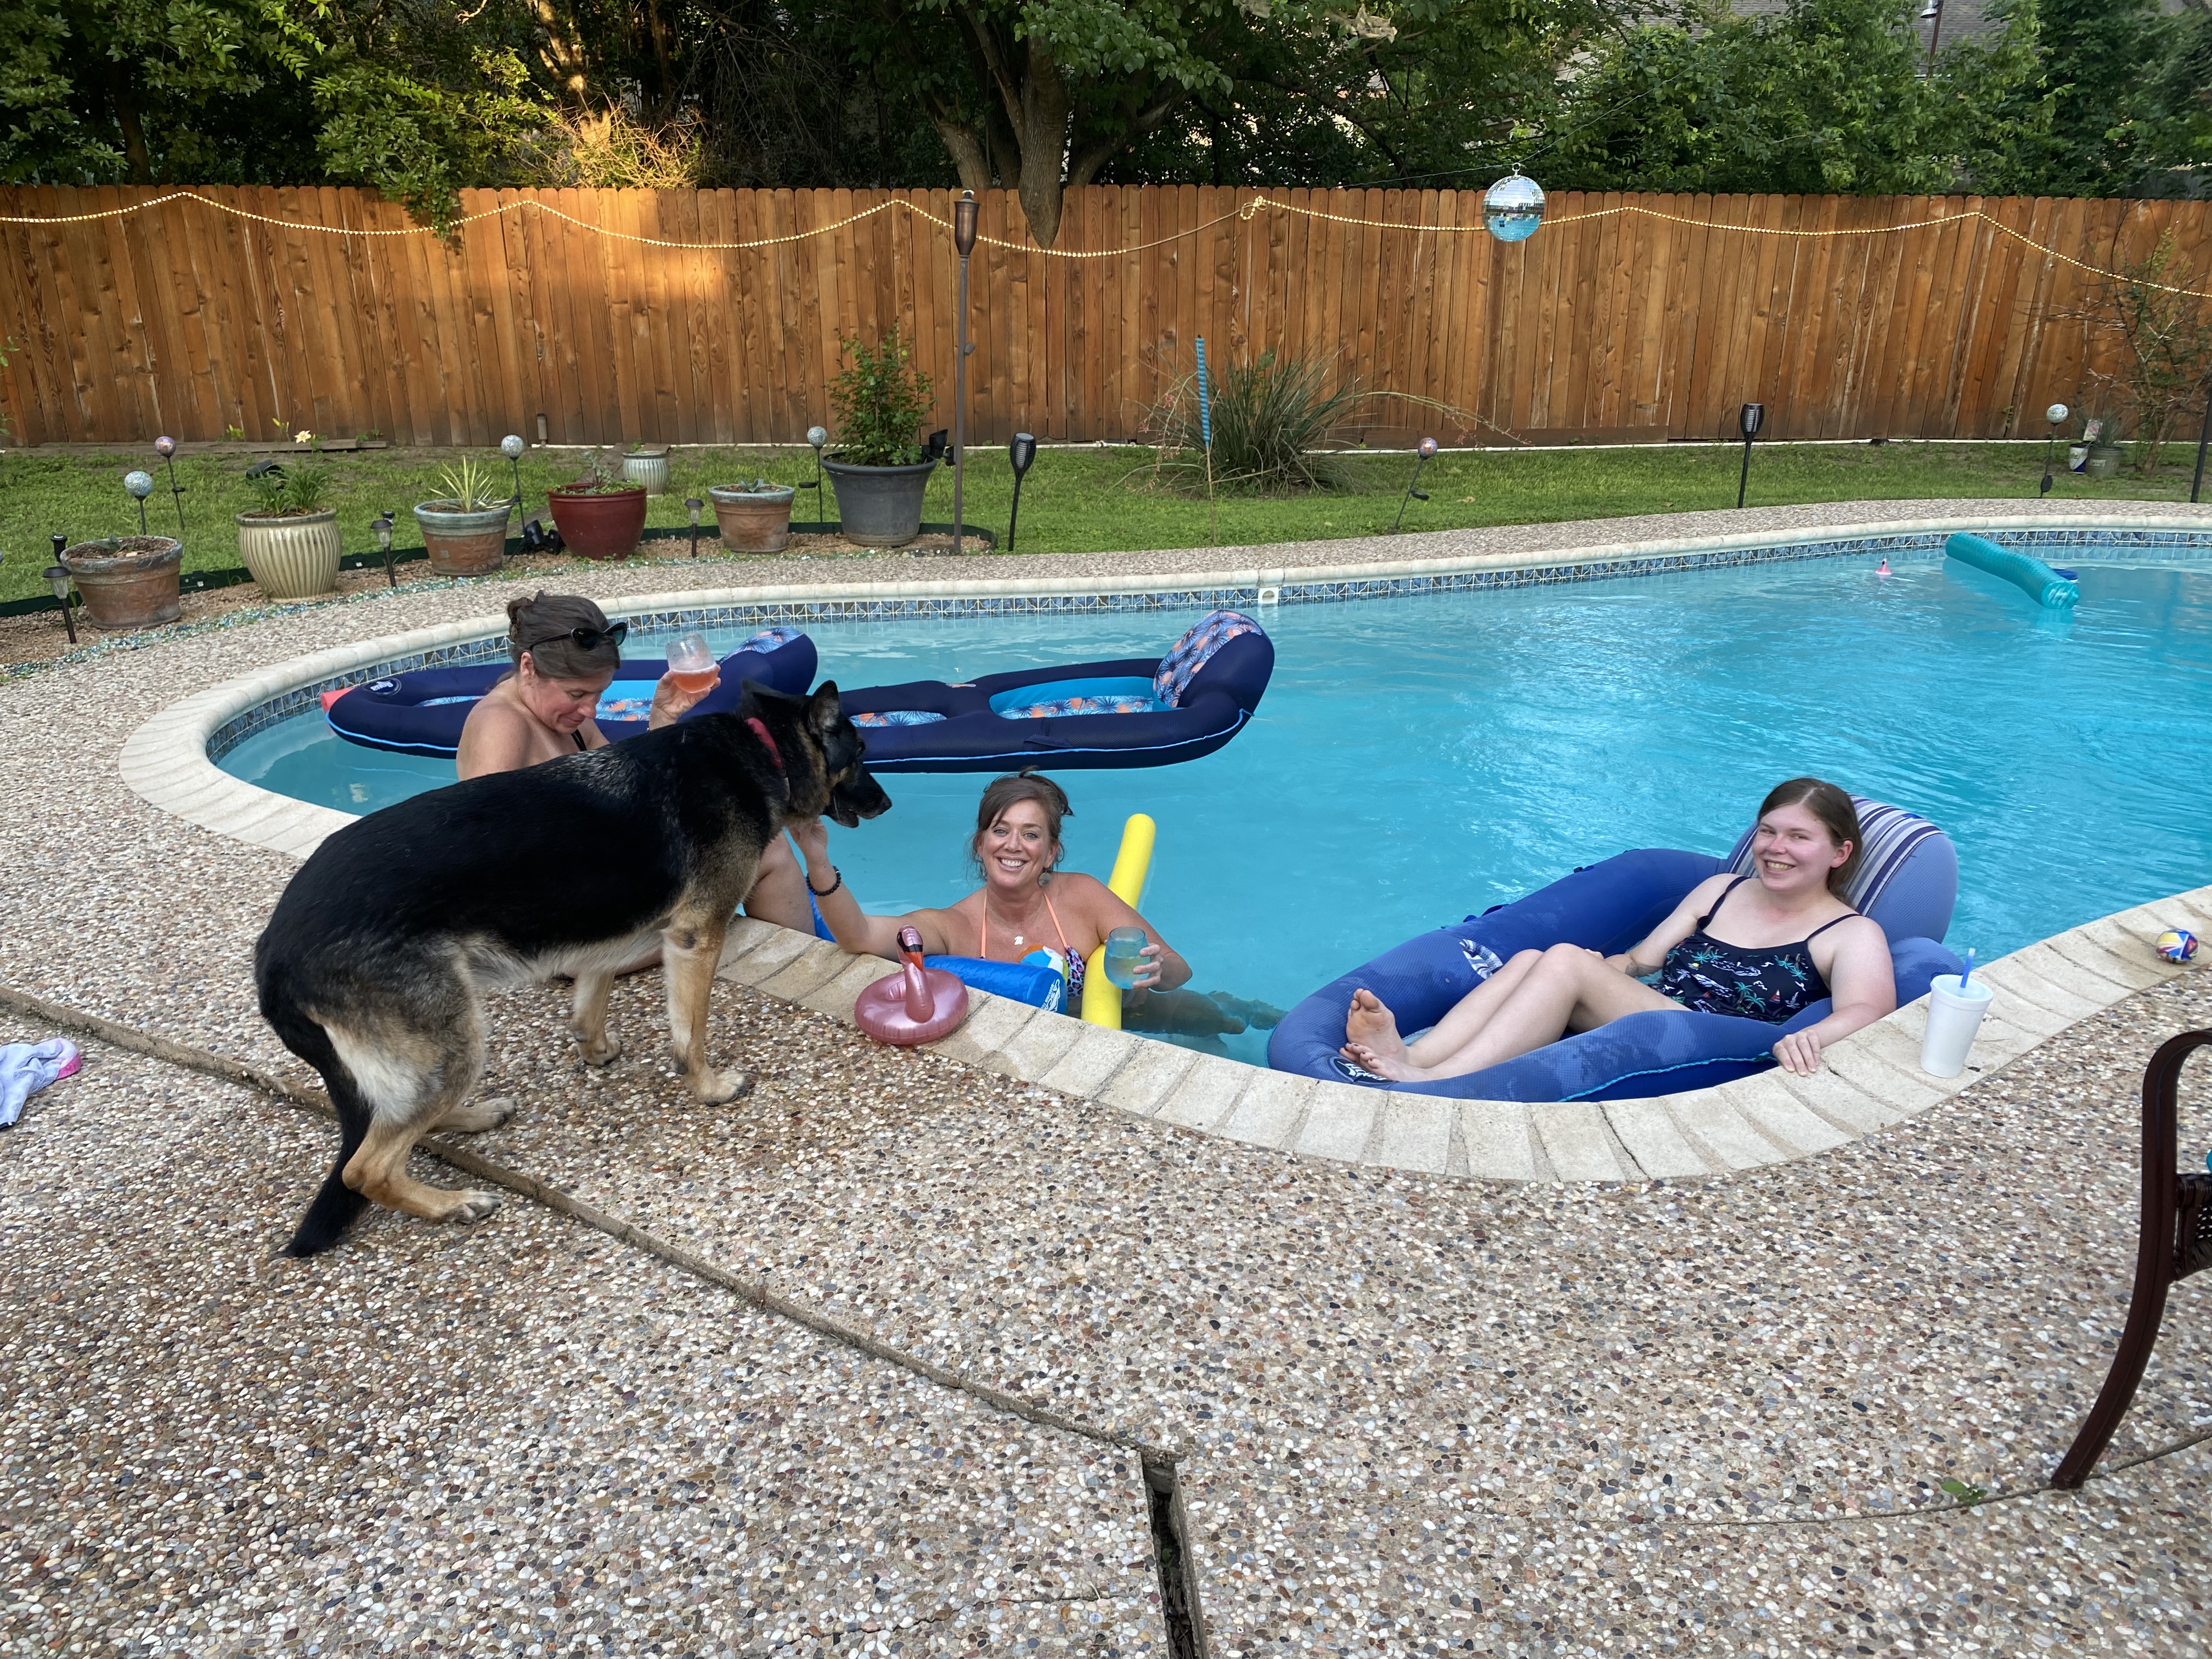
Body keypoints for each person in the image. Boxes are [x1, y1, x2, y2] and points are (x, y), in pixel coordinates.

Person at [1341, 777, 1897, 1082]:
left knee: (1562, 961)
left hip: (1722, 1043)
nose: (1777, 849)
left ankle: (1441, 1080)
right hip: (1659, 1021)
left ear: (1839, 853)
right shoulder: (1720, 891)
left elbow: (1869, 1010)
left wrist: (1813, 1037)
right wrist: (1580, 968)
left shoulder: (1850, 933)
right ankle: (1416, 1055)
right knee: (1545, 958)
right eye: (1768, 832)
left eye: (1799, 838)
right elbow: (1640, 964)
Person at [794, 770, 1253, 1035]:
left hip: (1132, 1018)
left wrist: (1158, 973)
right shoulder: (954, 926)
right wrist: (817, 860)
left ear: (1051, 851)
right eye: (1000, 830)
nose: (1013, 845)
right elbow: (857, 936)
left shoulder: (1082, 896)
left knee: (1228, 1028)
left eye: (1031, 834)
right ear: (980, 844)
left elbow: (1179, 969)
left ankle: (1239, 1005)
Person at [456, 591, 812, 932]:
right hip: (560, 926)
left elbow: (631, 787)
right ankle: (801, 971)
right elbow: (485, 854)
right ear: (529, 667)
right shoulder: (501, 723)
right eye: (577, 694)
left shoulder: (567, 720)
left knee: (762, 840)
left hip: (597, 885)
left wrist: (661, 719)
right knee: (756, 856)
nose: (590, 709)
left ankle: (794, 958)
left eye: (598, 694)